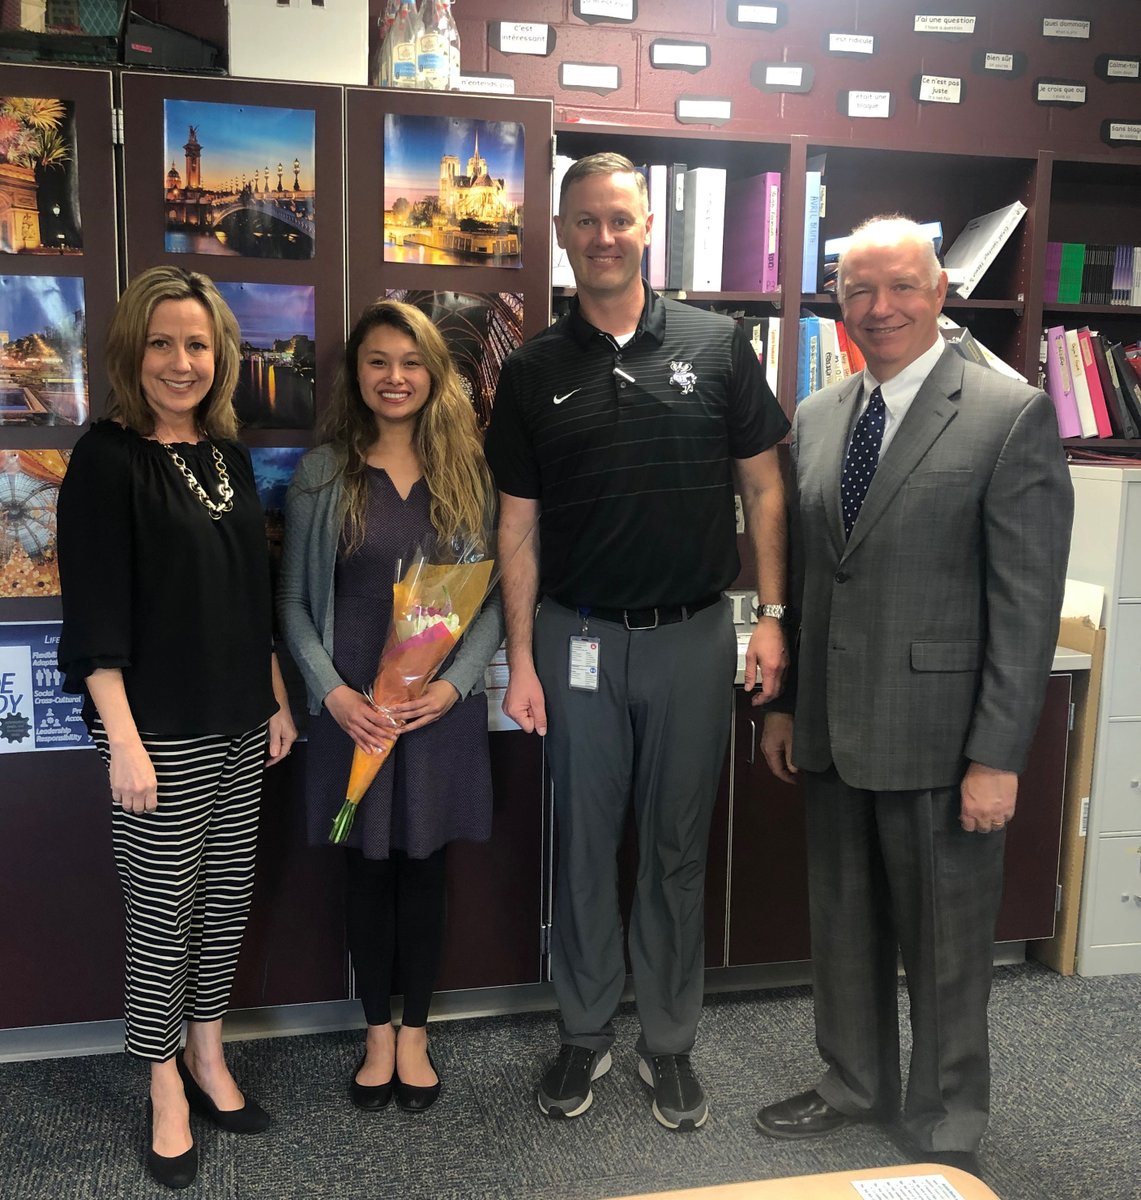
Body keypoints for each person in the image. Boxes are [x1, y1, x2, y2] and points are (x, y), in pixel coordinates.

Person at [754, 216, 1073, 1176]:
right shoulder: (818, 415)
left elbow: (1024, 606)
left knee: (945, 945)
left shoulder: (1008, 413)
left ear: (939, 292)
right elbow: (810, 579)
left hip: (942, 739)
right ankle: (853, 1083)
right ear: (837, 302)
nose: (878, 307)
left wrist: (997, 757)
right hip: (831, 726)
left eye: (899, 286)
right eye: (857, 289)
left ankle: (945, 1119)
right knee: (842, 927)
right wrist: (784, 708)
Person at [484, 152, 790, 1131]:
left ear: (647, 225)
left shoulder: (717, 343)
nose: (603, 237)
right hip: (575, 639)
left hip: (691, 638)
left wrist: (772, 614)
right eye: (584, 221)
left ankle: (667, 1041)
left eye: (619, 219)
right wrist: (521, 657)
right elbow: (517, 525)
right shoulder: (530, 370)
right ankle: (584, 1030)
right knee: (582, 845)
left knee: (673, 848)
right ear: (561, 234)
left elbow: (763, 487)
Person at [57, 266, 297, 1190]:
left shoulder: (226, 455)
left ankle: (207, 1053)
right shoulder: (105, 459)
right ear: (132, 352)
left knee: (223, 903)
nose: (180, 361)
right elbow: (94, 616)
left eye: (197, 344)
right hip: (156, 733)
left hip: (239, 718)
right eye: (162, 343)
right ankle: (163, 1082)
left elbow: (249, 596)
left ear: (220, 355)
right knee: (162, 915)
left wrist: (274, 695)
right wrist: (121, 740)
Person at [278, 298, 503, 1116]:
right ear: (357, 373)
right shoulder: (322, 476)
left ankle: (415, 1033)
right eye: (377, 361)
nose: (394, 377)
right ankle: (376, 1033)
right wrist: (332, 696)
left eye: (410, 362)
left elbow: (493, 601)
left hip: (435, 716)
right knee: (366, 872)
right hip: (355, 717)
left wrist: (455, 684)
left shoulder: (469, 474)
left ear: (434, 375)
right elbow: (291, 605)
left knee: (426, 870)